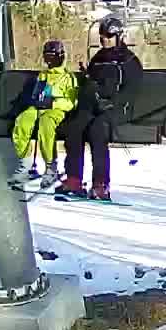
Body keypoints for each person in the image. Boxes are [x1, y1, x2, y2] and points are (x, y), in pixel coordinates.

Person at [57, 15, 143, 202]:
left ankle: (101, 184)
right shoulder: (98, 58)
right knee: (75, 127)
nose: (104, 40)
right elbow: (92, 83)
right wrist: (87, 80)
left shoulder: (128, 60)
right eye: (102, 36)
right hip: (94, 105)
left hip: (117, 108)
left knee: (97, 129)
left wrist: (113, 102)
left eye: (109, 36)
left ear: (118, 37)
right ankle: (74, 179)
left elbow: (132, 89)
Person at [10, 40, 77, 186]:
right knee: (23, 119)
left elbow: (71, 102)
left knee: (46, 123)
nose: (50, 60)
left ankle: (50, 166)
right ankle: (25, 163)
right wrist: (36, 100)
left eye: (53, 56)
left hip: (56, 110)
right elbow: (36, 93)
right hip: (39, 107)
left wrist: (53, 103)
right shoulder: (43, 75)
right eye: (47, 56)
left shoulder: (68, 77)